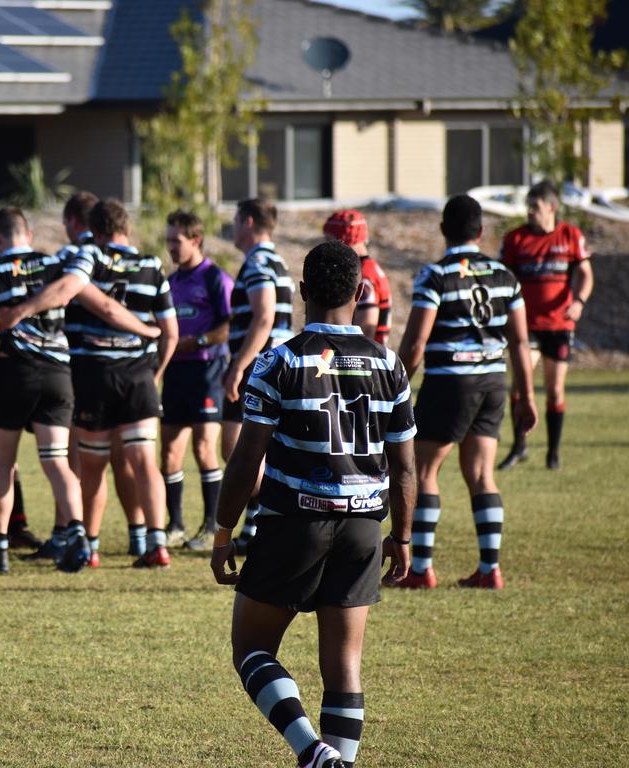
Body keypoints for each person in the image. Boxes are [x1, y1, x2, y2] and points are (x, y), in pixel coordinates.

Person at [211, 240, 416, 768]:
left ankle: (311, 751)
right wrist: (405, 535)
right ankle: (338, 763)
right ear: (361, 292)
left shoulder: (278, 361)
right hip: (364, 527)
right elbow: (407, 466)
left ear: (302, 292)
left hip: (293, 524)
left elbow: (243, 461)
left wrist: (221, 531)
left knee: (251, 650)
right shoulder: (389, 365)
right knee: (344, 665)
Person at [0, 200, 170, 568]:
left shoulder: (83, 255)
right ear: (127, 229)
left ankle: (89, 543)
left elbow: (86, 297)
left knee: (91, 464)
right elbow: (171, 330)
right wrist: (154, 371)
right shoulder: (152, 265)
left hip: (95, 373)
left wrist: (21, 312)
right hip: (139, 375)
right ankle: (157, 542)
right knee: (144, 461)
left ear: (94, 230)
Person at [396, 194, 537, 590]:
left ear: (444, 230)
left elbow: (415, 345)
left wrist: (397, 384)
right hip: (493, 382)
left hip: (450, 381)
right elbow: (522, 343)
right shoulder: (505, 276)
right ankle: (489, 568)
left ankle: (420, 569)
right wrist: (525, 396)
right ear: (481, 231)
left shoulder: (436, 275)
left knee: (424, 471)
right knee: (481, 474)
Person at [0, 207, 94, 574]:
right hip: (56, 372)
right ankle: (78, 536)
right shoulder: (55, 264)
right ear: (28, 234)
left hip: (10, 374)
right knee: (55, 460)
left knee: (2, 463)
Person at [498, 180, 593, 471]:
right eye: (528, 206)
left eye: (535, 207)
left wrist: (579, 301)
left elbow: (586, 274)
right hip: (526, 327)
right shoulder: (516, 239)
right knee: (519, 387)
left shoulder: (570, 236)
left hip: (559, 326)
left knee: (555, 391)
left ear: (551, 207)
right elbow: (502, 277)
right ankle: (519, 446)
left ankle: (552, 452)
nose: (529, 211)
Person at [222, 198, 294, 555]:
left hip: (259, 366)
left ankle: (271, 524)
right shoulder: (276, 261)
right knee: (259, 453)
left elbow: (264, 317)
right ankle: (256, 529)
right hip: (274, 365)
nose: (232, 227)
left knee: (240, 453)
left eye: (235, 220)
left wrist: (238, 365)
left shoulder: (259, 263)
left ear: (248, 221)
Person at [159, 209, 233, 551]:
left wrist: (198, 341)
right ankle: (174, 525)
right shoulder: (170, 282)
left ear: (196, 240)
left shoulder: (215, 278)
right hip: (175, 372)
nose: (172, 247)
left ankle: (210, 526)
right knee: (170, 451)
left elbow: (230, 325)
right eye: (169, 241)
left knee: (205, 448)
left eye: (177, 241)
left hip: (206, 372)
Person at [322, 209, 391, 345]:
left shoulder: (363, 274)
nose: (326, 248)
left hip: (363, 359)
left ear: (342, 239)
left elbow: (366, 328)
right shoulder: (369, 268)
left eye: (328, 241)